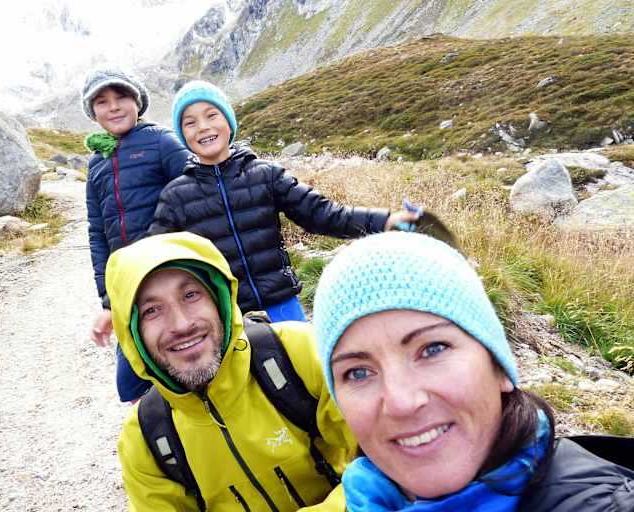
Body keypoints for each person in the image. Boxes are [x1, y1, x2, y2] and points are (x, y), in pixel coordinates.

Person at [312, 231, 634, 512]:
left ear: (500, 366)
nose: (401, 402)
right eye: (358, 373)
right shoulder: (364, 498)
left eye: (433, 349)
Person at [104, 231, 358, 511]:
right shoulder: (144, 439)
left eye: (191, 295)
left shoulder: (301, 353)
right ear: (133, 332)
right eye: (152, 310)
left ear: (219, 299)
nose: (181, 324)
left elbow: (382, 460)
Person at [147, 80, 418, 323]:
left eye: (211, 115)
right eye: (190, 122)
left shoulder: (266, 174)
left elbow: (323, 214)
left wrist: (385, 221)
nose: (203, 127)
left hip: (282, 304)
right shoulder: (175, 196)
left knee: (303, 364)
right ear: (183, 135)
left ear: (228, 122)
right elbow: (152, 257)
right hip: (226, 316)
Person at [81, 68, 191, 401]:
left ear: (138, 101)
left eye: (121, 97)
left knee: (185, 362)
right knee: (131, 385)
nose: (113, 107)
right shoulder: (96, 164)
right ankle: (158, 430)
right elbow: (98, 234)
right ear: (93, 112)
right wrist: (109, 301)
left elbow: (198, 196)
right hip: (129, 285)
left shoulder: (161, 141)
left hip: (174, 273)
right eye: (102, 101)